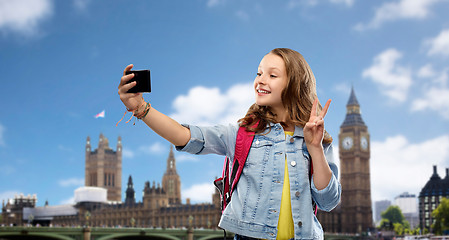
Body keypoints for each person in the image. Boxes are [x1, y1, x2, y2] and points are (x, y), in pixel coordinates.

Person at [117, 48, 341, 240]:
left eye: (272, 75)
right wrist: (141, 108)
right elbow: (186, 136)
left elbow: (328, 201)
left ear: (294, 83)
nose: (260, 79)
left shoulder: (316, 139)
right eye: (258, 73)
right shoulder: (242, 134)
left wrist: (315, 148)